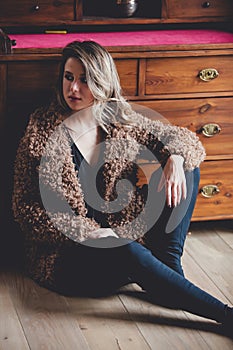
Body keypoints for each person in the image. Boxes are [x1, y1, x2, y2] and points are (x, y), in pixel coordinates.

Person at [12, 40, 232, 332]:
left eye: (85, 80)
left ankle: (167, 267)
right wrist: (89, 232)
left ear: (102, 83)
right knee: (124, 248)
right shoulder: (42, 129)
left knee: (187, 166)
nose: (73, 88)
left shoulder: (119, 121)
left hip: (124, 229)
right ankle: (224, 316)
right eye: (69, 77)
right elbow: (25, 208)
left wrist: (175, 159)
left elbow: (180, 137)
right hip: (68, 256)